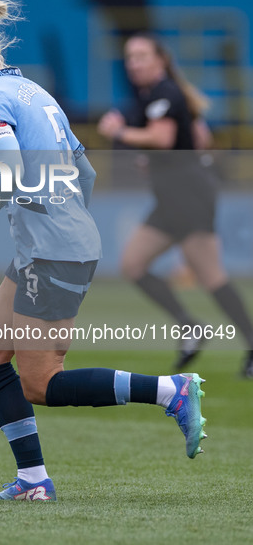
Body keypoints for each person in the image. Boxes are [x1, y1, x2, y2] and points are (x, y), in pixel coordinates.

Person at [0, 0, 207, 503]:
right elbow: (85, 172)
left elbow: (12, 172)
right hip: (51, 245)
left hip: (52, 250)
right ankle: (33, 482)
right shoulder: (35, 91)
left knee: (41, 382)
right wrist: (64, 220)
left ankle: (172, 392)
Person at [97, 33, 253, 378]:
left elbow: (163, 139)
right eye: (129, 56)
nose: (134, 62)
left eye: (141, 55)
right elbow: (198, 137)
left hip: (189, 197)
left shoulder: (164, 91)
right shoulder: (153, 94)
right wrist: (153, 160)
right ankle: (190, 325)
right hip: (173, 197)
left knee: (212, 276)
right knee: (133, 265)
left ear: (160, 60)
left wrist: (120, 132)